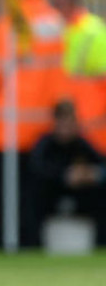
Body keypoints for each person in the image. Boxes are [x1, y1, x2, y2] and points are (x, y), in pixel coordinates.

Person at [0, 0, 65, 247]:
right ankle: (33, 243)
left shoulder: (6, 24)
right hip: (44, 127)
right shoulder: (55, 23)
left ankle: (5, 243)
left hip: (6, 128)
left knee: (5, 200)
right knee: (36, 195)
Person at [30, 100, 105, 237]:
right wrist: (64, 175)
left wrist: (91, 174)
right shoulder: (45, 143)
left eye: (70, 122)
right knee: (33, 198)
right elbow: (38, 168)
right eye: (62, 121)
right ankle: (32, 243)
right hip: (50, 194)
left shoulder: (81, 143)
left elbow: (100, 164)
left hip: (81, 194)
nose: (66, 127)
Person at [53, 0, 106, 155]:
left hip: (91, 115)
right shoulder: (62, 29)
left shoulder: (92, 30)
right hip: (70, 114)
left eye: (57, 4)